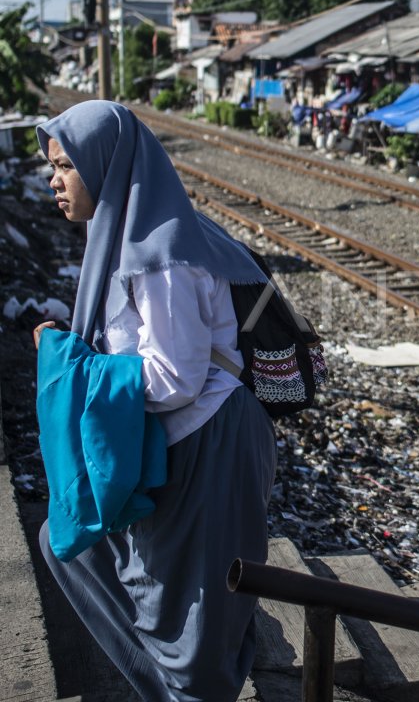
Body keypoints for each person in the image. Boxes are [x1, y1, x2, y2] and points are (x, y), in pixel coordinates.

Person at [33, 100, 277, 701]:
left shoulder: (158, 254)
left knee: (193, 623)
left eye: (65, 165)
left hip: (208, 442)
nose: (53, 180)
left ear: (106, 166)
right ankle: (168, 690)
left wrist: (76, 365)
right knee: (75, 546)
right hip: (178, 441)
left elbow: (175, 376)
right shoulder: (123, 237)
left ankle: (182, 692)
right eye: (51, 168)